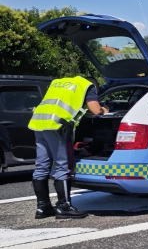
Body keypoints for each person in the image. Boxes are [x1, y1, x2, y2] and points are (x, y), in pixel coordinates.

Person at [28, 76, 108, 219]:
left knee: (41, 167)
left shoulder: (58, 83)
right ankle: (64, 207)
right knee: (63, 167)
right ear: (95, 86)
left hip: (38, 121)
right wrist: (104, 109)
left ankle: (43, 208)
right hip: (58, 125)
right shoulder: (87, 86)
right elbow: (96, 110)